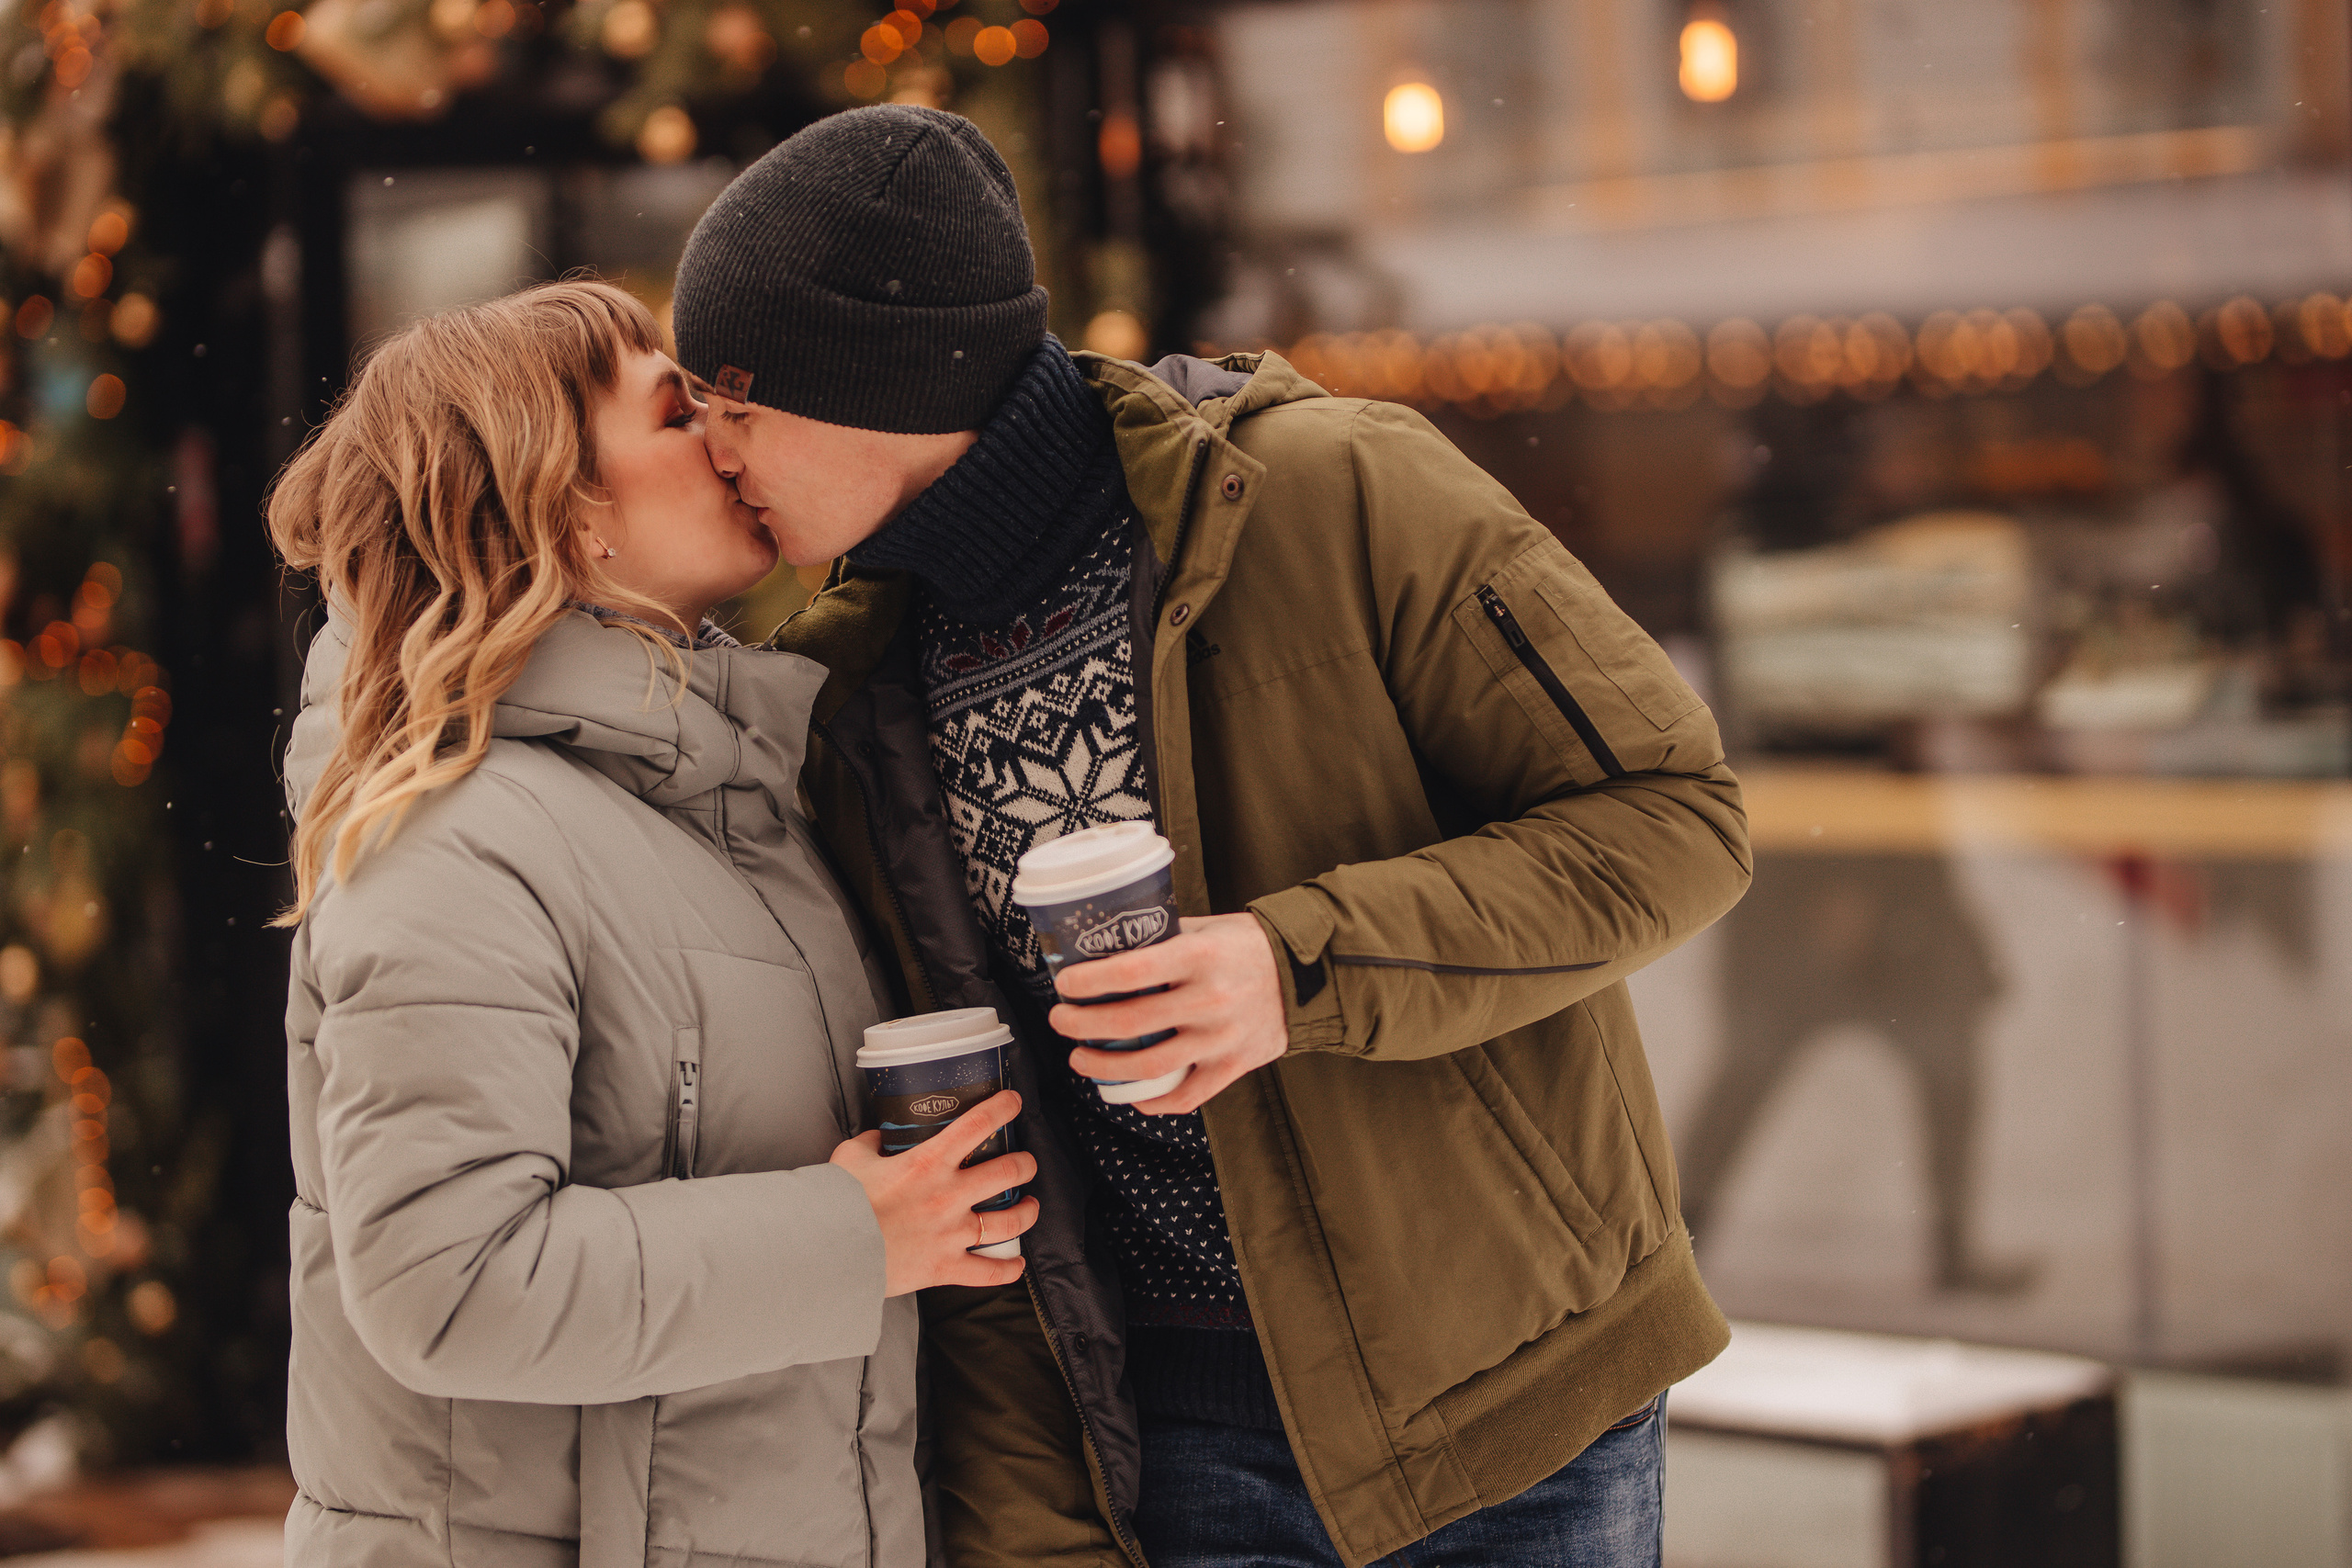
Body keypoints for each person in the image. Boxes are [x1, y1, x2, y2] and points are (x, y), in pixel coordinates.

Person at [671, 107, 1753, 1568]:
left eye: (735, 402)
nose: (711, 450)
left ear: (880, 380)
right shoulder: (858, 692)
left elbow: (1675, 817)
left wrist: (1293, 967)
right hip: (1168, 1452)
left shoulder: (1339, 491)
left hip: (1505, 1399)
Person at [267, 280, 1035, 1568]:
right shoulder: (453, 836)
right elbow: (446, 1288)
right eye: (681, 410)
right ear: (564, 509)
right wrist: (856, 1237)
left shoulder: (729, 799)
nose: (732, 431)